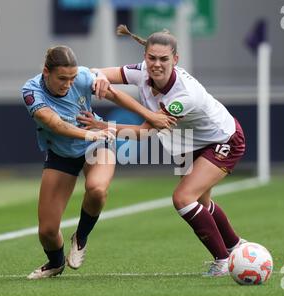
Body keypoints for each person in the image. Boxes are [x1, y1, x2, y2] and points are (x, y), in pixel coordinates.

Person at [86, 25, 247, 277]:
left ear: (176, 59)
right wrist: (97, 76)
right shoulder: (141, 71)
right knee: (202, 202)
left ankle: (223, 260)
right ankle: (236, 246)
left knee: (183, 198)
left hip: (222, 139)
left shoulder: (183, 95)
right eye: (152, 58)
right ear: (145, 57)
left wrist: (102, 126)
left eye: (163, 59)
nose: (156, 64)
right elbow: (96, 72)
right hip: (188, 141)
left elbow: (144, 131)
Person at [22, 45, 176, 279]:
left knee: (96, 189)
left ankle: (80, 238)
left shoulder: (83, 77)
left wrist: (150, 115)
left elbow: (115, 95)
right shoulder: (32, 91)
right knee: (48, 231)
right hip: (63, 151)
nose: (68, 84)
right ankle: (55, 263)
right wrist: (88, 134)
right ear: (46, 72)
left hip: (97, 144)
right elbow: (54, 124)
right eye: (62, 78)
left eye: (72, 78)